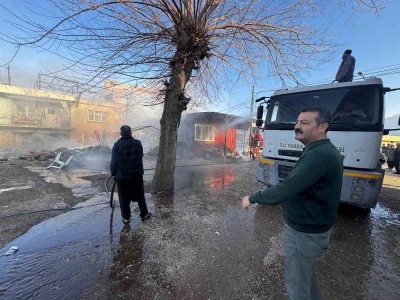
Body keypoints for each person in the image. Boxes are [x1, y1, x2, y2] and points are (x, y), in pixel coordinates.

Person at [242, 107, 343, 300]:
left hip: (305, 233)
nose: (297, 127)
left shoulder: (319, 155)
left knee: (297, 287)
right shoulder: (321, 150)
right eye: (297, 122)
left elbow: (286, 189)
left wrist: (252, 198)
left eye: (305, 123)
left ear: (322, 127)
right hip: (312, 230)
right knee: (305, 277)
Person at [110, 125, 152, 223]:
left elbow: (113, 162)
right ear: (130, 133)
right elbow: (140, 156)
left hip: (122, 177)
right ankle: (144, 214)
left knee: (124, 198)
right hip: (137, 175)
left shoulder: (117, 145)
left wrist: (113, 174)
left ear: (121, 134)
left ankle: (126, 218)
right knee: (140, 195)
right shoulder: (138, 143)